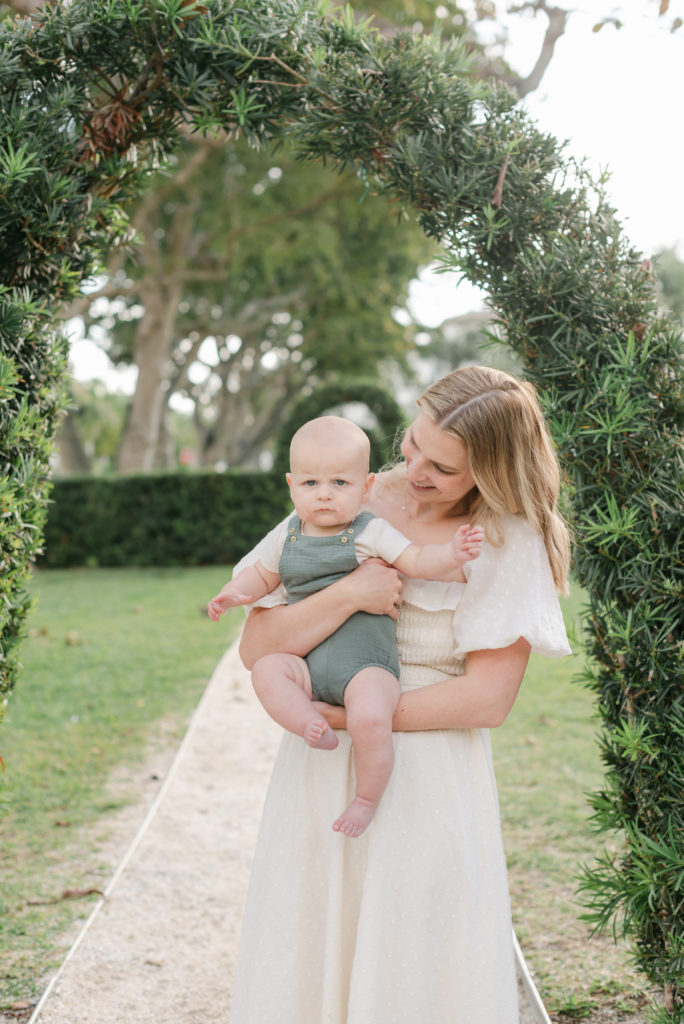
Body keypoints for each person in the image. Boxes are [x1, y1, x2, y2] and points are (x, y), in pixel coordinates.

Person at [228, 366, 572, 1024]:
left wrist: (355, 717)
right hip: (322, 768)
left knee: (414, 955)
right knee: (314, 934)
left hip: (429, 779)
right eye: (413, 445)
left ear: (491, 473)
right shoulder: (341, 497)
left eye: (442, 468)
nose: (413, 470)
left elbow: (486, 701)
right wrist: (349, 595)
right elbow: (255, 646)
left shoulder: (507, 540)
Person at [208, 416, 483, 837]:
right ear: (291, 484)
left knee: (372, 716)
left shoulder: (370, 532)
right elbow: (260, 576)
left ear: (366, 487)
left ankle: (366, 798)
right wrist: (232, 593)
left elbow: (417, 561)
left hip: (365, 666)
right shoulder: (287, 536)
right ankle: (306, 721)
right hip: (309, 669)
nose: (324, 496)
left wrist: (452, 553)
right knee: (267, 671)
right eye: (311, 484)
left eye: (340, 483)